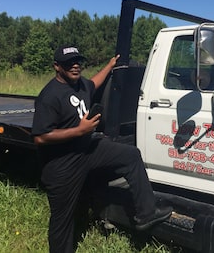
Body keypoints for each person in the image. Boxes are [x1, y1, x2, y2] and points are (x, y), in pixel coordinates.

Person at [32, 46, 172, 253]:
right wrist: (79, 130)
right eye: (69, 62)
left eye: (78, 61)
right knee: (63, 220)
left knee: (130, 155)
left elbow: (94, 83)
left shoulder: (80, 85)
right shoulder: (50, 96)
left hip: (87, 150)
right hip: (62, 164)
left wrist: (109, 66)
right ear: (56, 67)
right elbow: (40, 137)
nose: (75, 65)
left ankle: (146, 213)